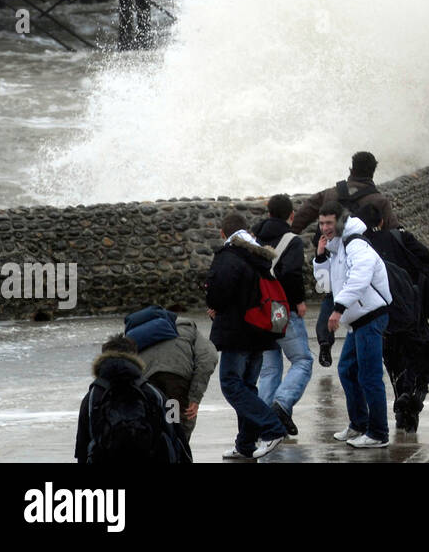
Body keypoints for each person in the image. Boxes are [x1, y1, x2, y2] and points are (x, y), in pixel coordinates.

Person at [292, 151, 399, 368]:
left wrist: (290, 234)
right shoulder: (378, 200)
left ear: (351, 169)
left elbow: (305, 212)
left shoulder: (331, 193)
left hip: (330, 253)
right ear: (373, 171)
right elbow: (395, 232)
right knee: (362, 297)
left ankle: (324, 341)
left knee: (330, 295)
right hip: (362, 257)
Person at [205, 211, 290, 460]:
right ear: (248, 232)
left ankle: (273, 428)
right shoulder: (259, 256)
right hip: (260, 330)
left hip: (237, 332)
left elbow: (218, 294)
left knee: (231, 385)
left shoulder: (229, 256)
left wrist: (213, 303)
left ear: (223, 233)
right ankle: (245, 445)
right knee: (248, 387)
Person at [361, 202, 429, 433]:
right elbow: (424, 259)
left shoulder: (360, 248)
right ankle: (413, 398)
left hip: (381, 315)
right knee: (421, 359)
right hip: (411, 311)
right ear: (381, 221)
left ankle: (402, 406)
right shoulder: (399, 237)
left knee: (394, 362)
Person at [315, 206, 392, 448]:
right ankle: (359, 424)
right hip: (357, 320)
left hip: (371, 316)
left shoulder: (356, 244)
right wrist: (319, 257)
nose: (325, 228)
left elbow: (360, 278)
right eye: (322, 224)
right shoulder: (336, 248)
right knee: (348, 371)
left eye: (329, 223)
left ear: (340, 222)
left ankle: (378, 433)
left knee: (369, 376)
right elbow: (323, 286)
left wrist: (338, 309)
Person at [75, 334, 190, 464]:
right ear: (135, 357)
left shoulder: (92, 397)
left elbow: (82, 446)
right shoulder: (154, 393)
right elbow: (177, 435)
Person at [252, 193, 312, 437]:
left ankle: (266, 423)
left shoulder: (253, 238)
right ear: (291, 215)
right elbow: (292, 274)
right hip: (280, 308)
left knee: (269, 369)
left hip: (260, 309)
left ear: (268, 214)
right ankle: (282, 404)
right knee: (302, 360)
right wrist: (298, 301)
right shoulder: (292, 241)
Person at [123, 305, 217, 440]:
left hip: (145, 382)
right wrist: (194, 397)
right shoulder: (188, 327)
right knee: (179, 430)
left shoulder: (138, 332)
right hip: (176, 380)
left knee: (150, 427)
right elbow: (208, 358)